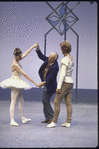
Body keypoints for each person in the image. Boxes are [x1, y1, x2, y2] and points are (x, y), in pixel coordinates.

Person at [0, 45, 38, 126]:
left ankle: (23, 118)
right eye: (19, 56)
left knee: (21, 100)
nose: (21, 57)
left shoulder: (17, 59)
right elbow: (25, 74)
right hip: (15, 81)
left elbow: (25, 54)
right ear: (16, 56)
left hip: (17, 81)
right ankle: (12, 120)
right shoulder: (15, 64)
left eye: (21, 56)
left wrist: (32, 47)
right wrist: (35, 83)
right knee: (13, 101)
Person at [47, 40, 74, 128]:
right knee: (68, 102)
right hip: (71, 82)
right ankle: (68, 121)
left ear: (63, 49)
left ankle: (54, 121)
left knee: (56, 101)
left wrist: (58, 87)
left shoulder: (64, 60)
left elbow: (62, 75)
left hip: (65, 83)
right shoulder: (71, 59)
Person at [33, 42, 59, 124]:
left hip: (50, 85)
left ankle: (52, 117)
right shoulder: (48, 59)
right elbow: (41, 56)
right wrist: (37, 48)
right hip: (45, 84)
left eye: (51, 58)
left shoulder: (55, 67)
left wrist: (43, 83)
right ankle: (48, 118)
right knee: (44, 101)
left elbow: (49, 78)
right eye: (49, 57)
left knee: (45, 101)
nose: (49, 59)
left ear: (55, 59)